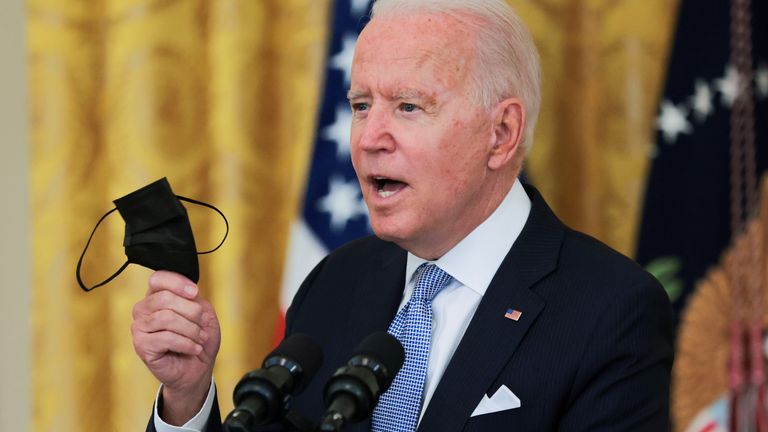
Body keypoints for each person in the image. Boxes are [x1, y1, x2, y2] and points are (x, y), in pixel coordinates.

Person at [132, 0, 674, 431]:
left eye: (409, 107)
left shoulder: (610, 309)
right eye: (362, 105)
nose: (369, 139)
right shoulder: (335, 282)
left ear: (502, 134)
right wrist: (188, 395)